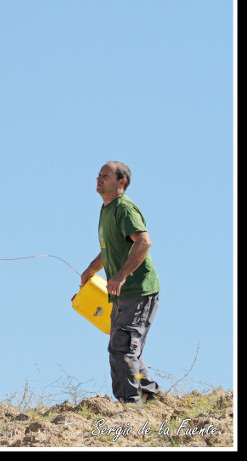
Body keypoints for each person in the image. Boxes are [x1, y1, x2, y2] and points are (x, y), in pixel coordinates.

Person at [80, 161, 164, 404]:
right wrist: (90, 270)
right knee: (125, 348)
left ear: (121, 182)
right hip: (121, 294)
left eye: (105, 176)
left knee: (123, 349)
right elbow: (110, 249)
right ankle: (149, 395)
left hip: (139, 290)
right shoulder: (107, 209)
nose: (99, 178)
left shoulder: (124, 208)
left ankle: (130, 405)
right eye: (98, 175)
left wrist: (120, 276)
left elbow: (144, 242)